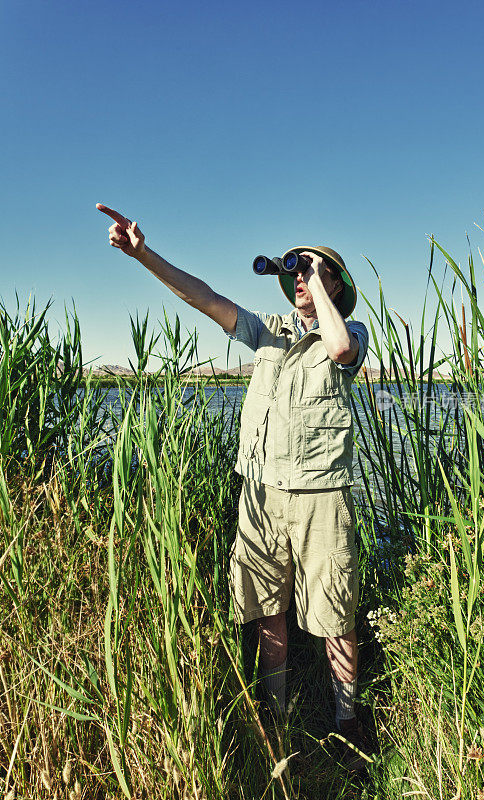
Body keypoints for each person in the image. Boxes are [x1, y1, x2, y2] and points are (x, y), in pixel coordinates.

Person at [96, 203, 369, 756]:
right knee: (268, 609)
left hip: (321, 496)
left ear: (336, 286)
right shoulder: (267, 333)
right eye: (296, 272)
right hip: (261, 495)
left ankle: (346, 725)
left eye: (313, 272)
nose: (299, 278)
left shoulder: (350, 330)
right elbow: (203, 297)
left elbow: (340, 348)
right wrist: (143, 255)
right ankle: (278, 714)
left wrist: (320, 278)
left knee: (335, 611)